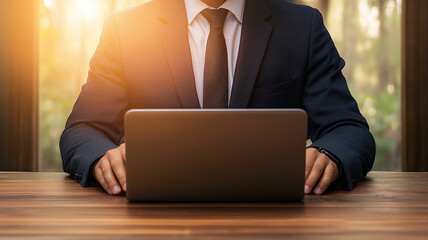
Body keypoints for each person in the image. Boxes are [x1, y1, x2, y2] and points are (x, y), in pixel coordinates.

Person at [60, 0, 376, 196]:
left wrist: (328, 154)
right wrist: (102, 155)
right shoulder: (125, 30)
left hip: (275, 222)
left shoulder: (302, 27)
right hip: (152, 222)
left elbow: (350, 130)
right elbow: (82, 129)